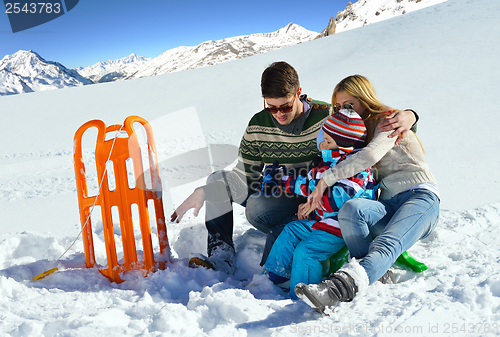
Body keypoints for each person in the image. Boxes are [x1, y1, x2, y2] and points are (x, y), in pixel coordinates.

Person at [170, 62, 418, 274]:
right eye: (272, 107)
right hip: (283, 187)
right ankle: (221, 256)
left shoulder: (327, 116)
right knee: (216, 180)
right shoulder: (259, 125)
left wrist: (410, 116)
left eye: (286, 106)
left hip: (319, 197)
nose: (278, 113)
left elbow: (366, 126)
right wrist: (206, 191)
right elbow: (244, 176)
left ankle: (306, 238)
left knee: (257, 208)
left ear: (299, 93)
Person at [294, 75, 440, 315]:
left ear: (365, 98)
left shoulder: (387, 120)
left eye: (349, 104)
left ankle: (334, 291)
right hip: (388, 202)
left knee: (386, 244)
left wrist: (325, 181)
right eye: (339, 107)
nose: (344, 111)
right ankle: (377, 274)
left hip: (420, 197)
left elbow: (369, 157)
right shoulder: (357, 131)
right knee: (352, 209)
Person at [263, 107, 377, 299]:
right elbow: (308, 186)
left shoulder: (357, 169)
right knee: (291, 230)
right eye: (324, 138)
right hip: (321, 223)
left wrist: (313, 204)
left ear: (344, 145)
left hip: (341, 227)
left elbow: (340, 199)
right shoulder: (324, 165)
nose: (322, 144)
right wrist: (282, 180)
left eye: (328, 141)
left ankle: (303, 294)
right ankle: (276, 275)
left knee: (306, 252)